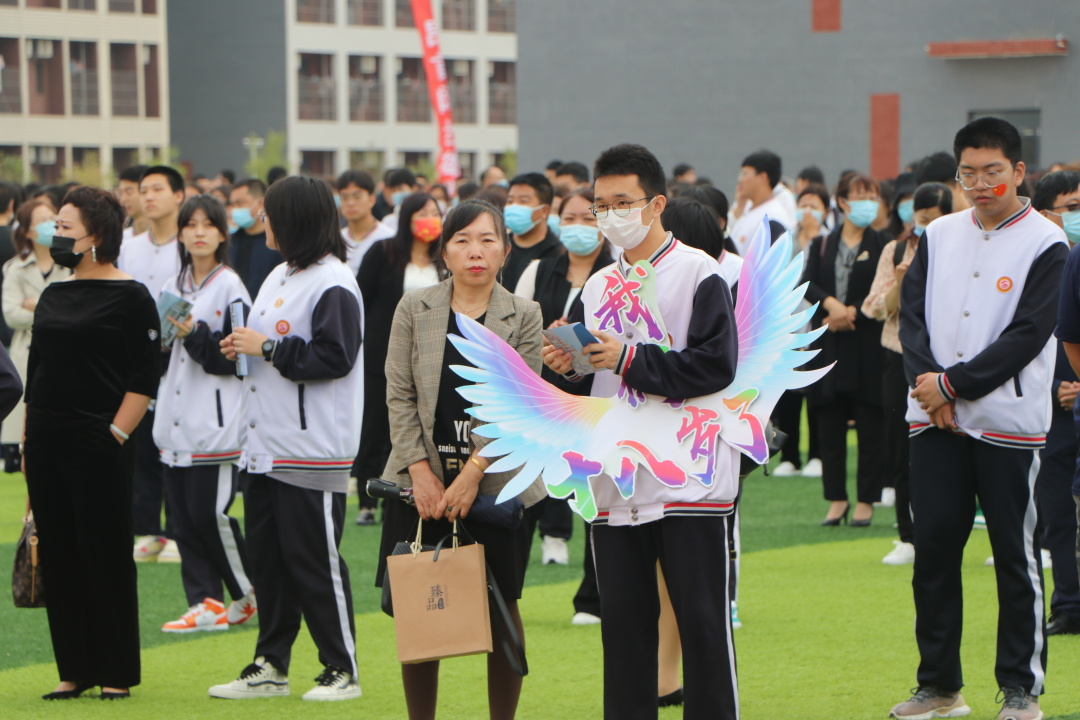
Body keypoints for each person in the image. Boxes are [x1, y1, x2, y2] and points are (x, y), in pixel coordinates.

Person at [544, 144, 739, 720]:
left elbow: (715, 368)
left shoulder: (700, 272)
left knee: (702, 623)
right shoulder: (601, 284)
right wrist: (572, 365)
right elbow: (597, 377)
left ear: (656, 203)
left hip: (689, 475)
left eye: (621, 203)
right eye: (600, 205)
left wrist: (628, 358)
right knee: (623, 628)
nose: (609, 217)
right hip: (617, 477)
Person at [892, 117, 1065, 720]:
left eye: (994, 171)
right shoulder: (937, 234)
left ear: (1020, 172)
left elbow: (1028, 335)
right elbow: (911, 319)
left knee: (1015, 556)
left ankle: (1022, 687)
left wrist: (952, 385)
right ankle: (939, 685)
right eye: (969, 172)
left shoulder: (1047, 242)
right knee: (934, 547)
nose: (981, 183)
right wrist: (931, 387)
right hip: (932, 419)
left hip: (1008, 421)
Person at [377, 199, 545, 720]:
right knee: (420, 603)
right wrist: (420, 473)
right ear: (443, 250)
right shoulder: (415, 307)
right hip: (419, 479)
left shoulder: (524, 314)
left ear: (504, 250)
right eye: (462, 240)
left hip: (499, 480)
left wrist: (474, 473)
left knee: (502, 606)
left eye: (487, 240)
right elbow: (398, 394)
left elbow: (520, 404)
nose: (475, 251)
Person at [210, 176, 364, 701]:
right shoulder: (280, 273)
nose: (261, 218)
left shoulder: (334, 282)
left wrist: (269, 349)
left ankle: (342, 668)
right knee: (269, 562)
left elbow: (335, 357)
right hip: (263, 446)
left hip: (311, 448)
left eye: (269, 211)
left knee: (314, 561)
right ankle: (270, 664)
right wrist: (245, 347)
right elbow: (274, 343)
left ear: (294, 218)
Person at [24, 186, 161, 700]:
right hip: (47, 440)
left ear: (97, 236)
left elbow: (144, 379)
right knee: (59, 554)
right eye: (54, 227)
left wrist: (115, 435)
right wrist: (28, 439)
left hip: (101, 441)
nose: (54, 236)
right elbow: (37, 375)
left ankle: (115, 671)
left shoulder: (132, 296)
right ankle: (73, 668)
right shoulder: (53, 294)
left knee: (103, 553)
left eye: (63, 228)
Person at [153, 195, 257, 634]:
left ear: (221, 233)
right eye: (190, 225)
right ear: (180, 234)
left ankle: (249, 592)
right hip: (172, 422)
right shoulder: (175, 284)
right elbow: (158, 351)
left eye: (207, 225)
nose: (198, 232)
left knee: (210, 515)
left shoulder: (230, 285)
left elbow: (240, 361)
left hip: (215, 425)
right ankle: (204, 602)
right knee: (182, 519)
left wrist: (193, 333)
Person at [514, 188, 613, 566]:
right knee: (530, 488)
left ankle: (592, 595)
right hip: (541, 398)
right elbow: (515, 326)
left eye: (588, 219)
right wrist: (545, 334)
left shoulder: (615, 276)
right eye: (569, 219)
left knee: (595, 493)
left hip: (594, 401)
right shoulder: (540, 269)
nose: (578, 227)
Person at [862, 182, 952, 565]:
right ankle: (908, 537)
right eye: (920, 218)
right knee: (901, 449)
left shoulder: (960, 250)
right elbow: (874, 308)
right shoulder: (896, 250)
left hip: (946, 361)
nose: (925, 226)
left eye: (934, 219)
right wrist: (901, 282)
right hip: (898, 358)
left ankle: (945, 535)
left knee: (948, 451)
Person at [801, 172, 888, 526]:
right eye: (860, 196)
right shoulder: (823, 243)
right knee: (829, 426)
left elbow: (887, 288)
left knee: (871, 426)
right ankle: (836, 499)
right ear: (843, 201)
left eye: (873, 196)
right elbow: (807, 281)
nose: (868, 203)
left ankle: (867, 500)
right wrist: (831, 306)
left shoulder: (884, 244)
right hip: (829, 342)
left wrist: (852, 311)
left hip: (868, 344)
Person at [121, 164, 185, 563]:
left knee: (174, 445)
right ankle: (147, 530)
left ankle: (178, 532)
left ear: (178, 195)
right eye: (143, 190)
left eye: (158, 189)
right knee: (140, 445)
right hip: (135, 356)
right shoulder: (129, 246)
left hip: (178, 356)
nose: (148, 196)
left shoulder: (189, 244)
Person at [1037, 170, 1080, 636]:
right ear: (1047, 213)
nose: (1076, 216)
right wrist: (1055, 388)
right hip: (1048, 409)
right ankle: (1068, 603)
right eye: (1070, 208)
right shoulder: (1034, 265)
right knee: (1057, 511)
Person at [1, 199, 71, 469]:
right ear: (28, 231)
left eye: (53, 218)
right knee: (29, 438)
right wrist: (52, 308)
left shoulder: (71, 266)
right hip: (26, 353)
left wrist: (37, 304)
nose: (50, 225)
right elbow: (12, 315)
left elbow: (73, 312)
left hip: (65, 355)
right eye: (42, 220)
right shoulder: (15, 268)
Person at [771, 184, 831, 478]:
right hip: (790, 323)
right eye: (803, 203)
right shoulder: (788, 240)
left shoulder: (827, 242)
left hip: (819, 323)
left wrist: (814, 235)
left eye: (814, 204)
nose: (807, 210)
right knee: (789, 391)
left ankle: (818, 455)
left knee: (818, 390)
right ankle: (789, 456)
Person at [502, 172, 563, 292]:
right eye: (510, 201)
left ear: (544, 210)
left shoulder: (557, 254)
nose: (514, 206)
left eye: (523, 201)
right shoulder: (499, 248)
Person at [729, 150, 793, 256]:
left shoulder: (773, 216)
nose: (740, 180)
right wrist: (739, 208)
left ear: (762, 177)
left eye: (745, 174)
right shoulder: (747, 206)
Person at [228, 179, 281, 298]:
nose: (235, 209)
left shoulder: (277, 244)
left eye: (240, 203)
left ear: (261, 203)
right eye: (233, 204)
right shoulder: (230, 242)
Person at [336, 170, 395, 274]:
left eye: (357, 197)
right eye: (344, 197)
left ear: (371, 199)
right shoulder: (336, 240)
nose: (350, 203)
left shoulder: (389, 238)